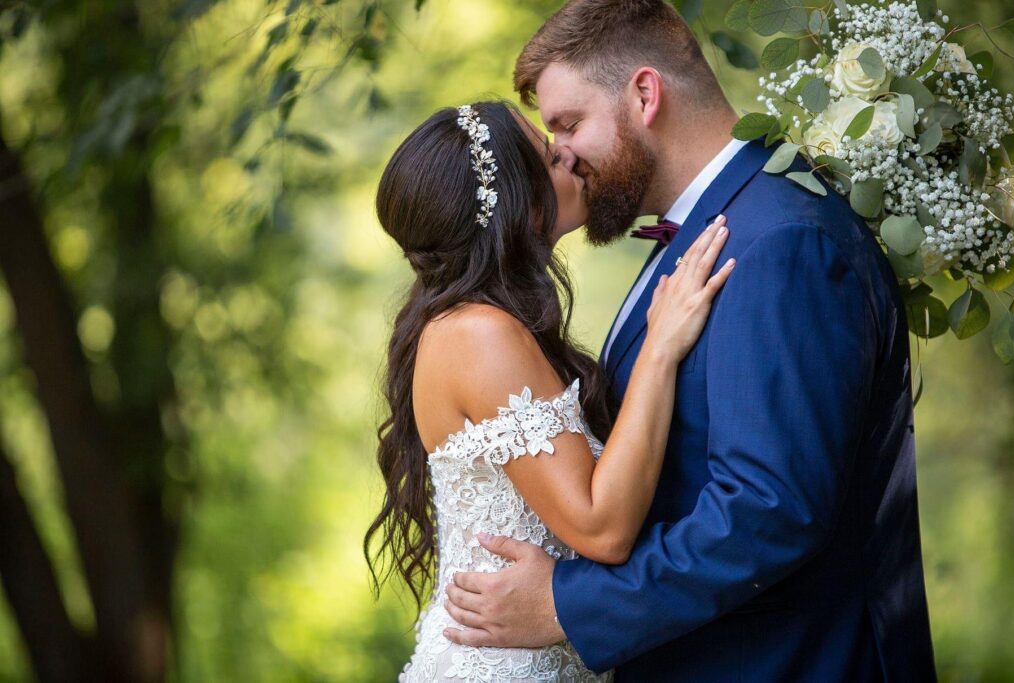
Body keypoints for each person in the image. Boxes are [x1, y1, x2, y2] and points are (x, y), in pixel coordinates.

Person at [441, 1, 937, 681]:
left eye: (568, 123)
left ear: (644, 94)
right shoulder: (716, 227)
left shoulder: (780, 240)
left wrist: (570, 605)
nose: (559, 154)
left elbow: (769, 508)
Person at [365, 99, 735, 681]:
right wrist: (660, 350)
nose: (566, 152)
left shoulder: (467, 323)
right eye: (545, 152)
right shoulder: (480, 334)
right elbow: (602, 528)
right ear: (517, 206)